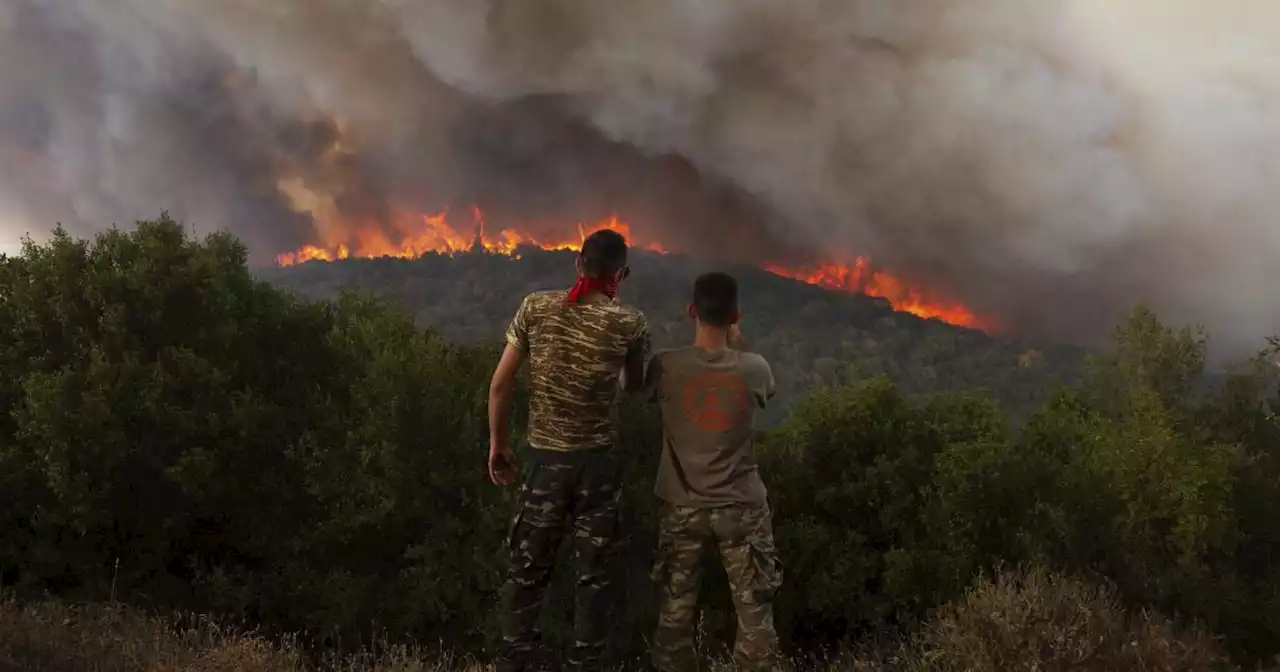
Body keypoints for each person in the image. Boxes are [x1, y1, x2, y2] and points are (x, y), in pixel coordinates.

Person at [487, 228, 651, 672]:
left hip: (543, 462)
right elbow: (634, 388)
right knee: (593, 575)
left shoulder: (535, 307)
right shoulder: (630, 323)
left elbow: (500, 385)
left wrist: (499, 447)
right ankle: (586, 663)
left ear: (578, 264)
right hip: (596, 466)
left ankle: (516, 658)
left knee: (527, 568)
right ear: (622, 274)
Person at [644, 271, 782, 672]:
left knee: (674, 615)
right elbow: (767, 393)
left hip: (682, 507)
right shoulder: (754, 368)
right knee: (755, 613)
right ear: (736, 314)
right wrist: (738, 344)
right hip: (741, 508)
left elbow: (632, 387)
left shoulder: (665, 367)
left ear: (691, 311)